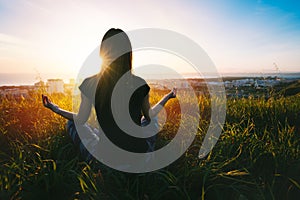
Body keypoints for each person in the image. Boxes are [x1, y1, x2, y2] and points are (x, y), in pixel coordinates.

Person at [42, 28, 176, 161]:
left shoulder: (90, 83)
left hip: (106, 160)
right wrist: (168, 97)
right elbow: (151, 115)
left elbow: (81, 119)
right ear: (128, 54)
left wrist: (56, 108)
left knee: (72, 124)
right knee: (150, 120)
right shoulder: (140, 84)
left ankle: (98, 135)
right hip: (139, 160)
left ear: (103, 53)